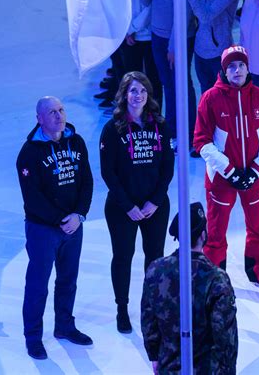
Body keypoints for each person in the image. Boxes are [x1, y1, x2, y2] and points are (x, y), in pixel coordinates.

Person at [193, 45, 259, 293]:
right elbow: (201, 141)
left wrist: (254, 170)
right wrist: (229, 170)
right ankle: (213, 277)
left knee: (257, 227)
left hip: (254, 178)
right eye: (231, 66)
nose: (237, 70)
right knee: (216, 231)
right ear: (224, 70)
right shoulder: (210, 98)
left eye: (241, 65)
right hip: (222, 180)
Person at [16, 96, 93, 360]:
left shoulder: (77, 141)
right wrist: (63, 219)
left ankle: (64, 326)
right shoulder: (29, 153)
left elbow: (87, 182)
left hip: (73, 226)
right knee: (38, 285)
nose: (59, 116)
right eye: (51, 112)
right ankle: (33, 337)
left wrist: (79, 215)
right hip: (43, 230)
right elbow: (33, 198)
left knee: (68, 280)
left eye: (61, 110)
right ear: (39, 118)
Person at [99, 71, 174, 333]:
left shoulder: (161, 125)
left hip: (154, 206)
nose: (138, 95)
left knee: (155, 259)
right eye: (133, 90)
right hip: (122, 208)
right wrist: (128, 206)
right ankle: (122, 309)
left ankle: (151, 308)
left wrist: (155, 200)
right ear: (124, 94)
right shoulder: (112, 129)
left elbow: (167, 167)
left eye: (142, 90)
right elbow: (108, 172)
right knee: (123, 257)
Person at [141, 202, 238, 374]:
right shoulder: (216, 278)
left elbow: (149, 320)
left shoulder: (156, 269)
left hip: (168, 365)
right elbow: (224, 337)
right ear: (203, 235)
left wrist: (154, 357)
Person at [134, 0, 198, 150]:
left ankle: (188, 134)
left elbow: (185, 14)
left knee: (181, 85)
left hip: (177, 39)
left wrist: (173, 46)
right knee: (168, 85)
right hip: (158, 36)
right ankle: (172, 131)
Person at [120, 0, 162, 106]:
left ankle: (154, 117)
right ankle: (130, 116)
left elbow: (151, 5)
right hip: (127, 34)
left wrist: (132, 28)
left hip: (149, 35)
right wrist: (126, 29)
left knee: (152, 81)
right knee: (129, 80)